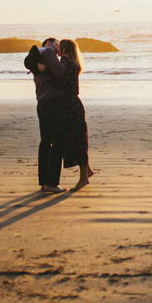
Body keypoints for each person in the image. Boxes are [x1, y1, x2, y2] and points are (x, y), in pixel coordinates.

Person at [58, 39, 94, 191]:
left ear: (65, 50)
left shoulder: (66, 65)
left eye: (59, 48)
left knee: (77, 141)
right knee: (78, 139)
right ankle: (88, 170)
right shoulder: (71, 64)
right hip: (72, 105)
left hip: (71, 106)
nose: (57, 50)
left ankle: (83, 178)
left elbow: (57, 79)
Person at [34, 37, 66, 193]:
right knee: (57, 142)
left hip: (41, 102)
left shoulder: (37, 56)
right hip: (53, 102)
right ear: (48, 43)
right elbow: (59, 71)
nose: (58, 49)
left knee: (45, 141)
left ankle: (44, 182)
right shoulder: (48, 51)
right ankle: (52, 183)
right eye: (57, 45)